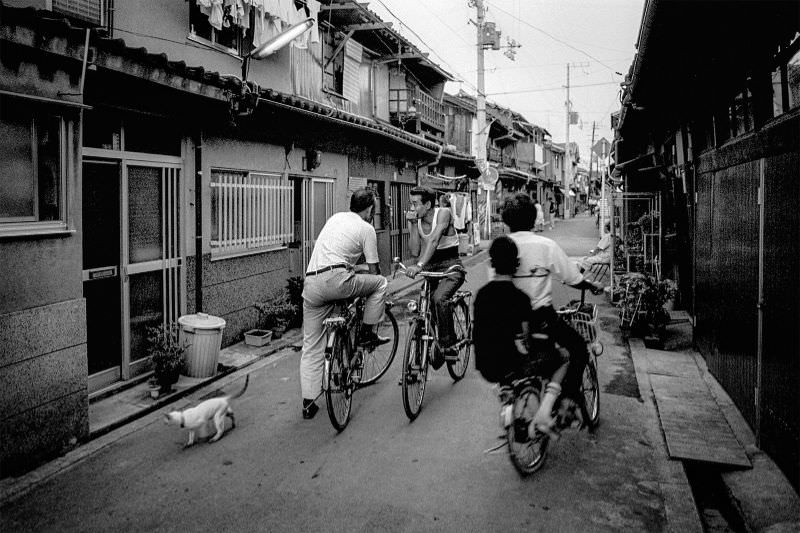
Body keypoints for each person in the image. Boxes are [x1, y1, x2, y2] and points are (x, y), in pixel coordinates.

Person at [498, 193, 603, 436]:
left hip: (507, 318)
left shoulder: (500, 246)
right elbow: (572, 278)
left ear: (506, 220)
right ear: (534, 219)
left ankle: (510, 400)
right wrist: (590, 285)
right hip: (540, 316)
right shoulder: (545, 246)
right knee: (577, 348)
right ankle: (563, 405)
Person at [299, 188, 389, 420]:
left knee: (311, 345)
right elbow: (374, 270)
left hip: (311, 283)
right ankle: (368, 333)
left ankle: (308, 403)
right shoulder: (366, 228)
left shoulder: (335, 218)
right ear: (370, 209)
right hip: (337, 281)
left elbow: (335, 254)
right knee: (379, 284)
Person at [404, 186, 465, 369]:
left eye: (415, 204)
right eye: (411, 204)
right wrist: (414, 225)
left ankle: (448, 344)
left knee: (440, 298)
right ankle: (419, 360)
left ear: (428, 204)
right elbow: (415, 251)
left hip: (451, 264)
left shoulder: (444, 213)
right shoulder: (416, 220)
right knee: (424, 306)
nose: (412, 208)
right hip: (430, 264)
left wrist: (419, 266)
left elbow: (434, 240)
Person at [474, 236, 532, 383]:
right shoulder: (521, 298)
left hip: (485, 366)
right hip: (511, 365)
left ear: (492, 262)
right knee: (560, 357)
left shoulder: (481, 295)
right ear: (516, 264)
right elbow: (525, 339)